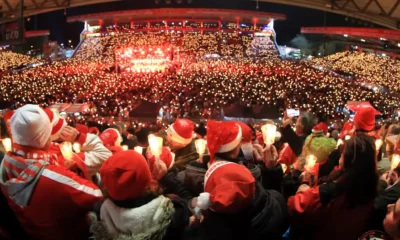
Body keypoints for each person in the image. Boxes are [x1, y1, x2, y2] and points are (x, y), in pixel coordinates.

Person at [0, 104, 103, 240]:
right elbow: (97, 196)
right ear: (43, 135)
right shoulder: (55, 178)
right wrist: (75, 173)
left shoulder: (5, 163)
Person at [189, 120, 288, 239]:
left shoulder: (210, 227)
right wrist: (270, 169)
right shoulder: (273, 206)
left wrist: (193, 224)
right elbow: (274, 197)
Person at [288, 133, 379, 240]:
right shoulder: (371, 190)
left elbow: (294, 205)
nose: (340, 156)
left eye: (343, 153)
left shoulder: (331, 192)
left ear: (348, 161)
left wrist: (304, 184)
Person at [90, 150, 189, 240]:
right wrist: (165, 177)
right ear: (146, 177)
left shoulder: (101, 212)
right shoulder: (171, 212)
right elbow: (192, 204)